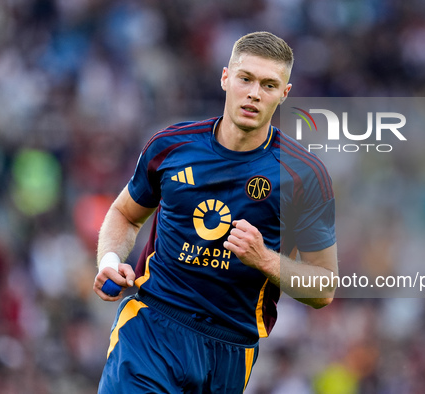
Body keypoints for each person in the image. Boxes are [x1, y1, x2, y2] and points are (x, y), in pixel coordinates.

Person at [93, 31, 337, 393]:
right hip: (152, 327)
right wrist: (110, 260)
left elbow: (324, 287)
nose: (254, 93)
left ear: (284, 94)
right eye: (246, 79)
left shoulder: (304, 175)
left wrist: (265, 260)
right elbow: (125, 214)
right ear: (226, 78)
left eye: (269, 85)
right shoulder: (171, 146)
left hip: (232, 349)